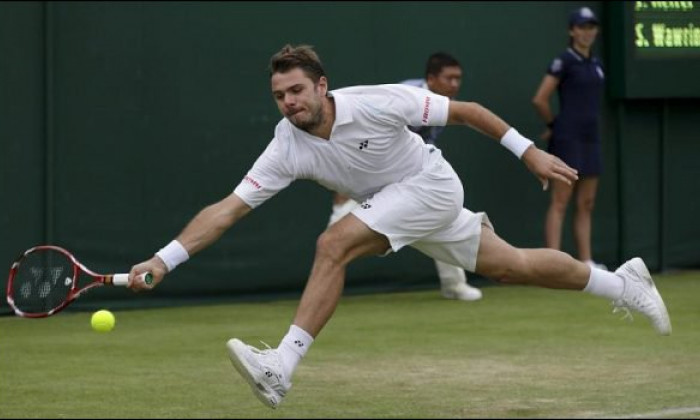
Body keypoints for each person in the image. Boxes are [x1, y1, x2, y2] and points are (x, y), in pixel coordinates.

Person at [127, 44, 671, 409]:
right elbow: (228, 209)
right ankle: (625, 283)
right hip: (398, 205)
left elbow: (469, 111)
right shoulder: (285, 144)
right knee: (513, 266)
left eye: (297, 91)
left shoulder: (377, 102)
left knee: (333, 242)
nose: (289, 103)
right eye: (279, 96)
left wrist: (528, 152)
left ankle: (281, 366)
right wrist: (164, 257)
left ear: (321, 86)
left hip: (431, 186)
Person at [328, 52, 482, 302]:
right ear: (431, 79)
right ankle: (323, 287)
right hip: (371, 172)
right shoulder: (405, 95)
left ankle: (453, 285)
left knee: (441, 218)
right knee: (336, 230)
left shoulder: (445, 104)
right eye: (449, 78)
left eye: (458, 78)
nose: (455, 84)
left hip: (410, 175)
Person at [532, 6, 607, 270]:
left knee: (586, 203)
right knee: (561, 201)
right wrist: (554, 125)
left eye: (591, 27)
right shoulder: (564, 61)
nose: (587, 32)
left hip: (591, 138)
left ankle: (586, 261)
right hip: (568, 138)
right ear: (572, 31)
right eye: (582, 27)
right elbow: (540, 99)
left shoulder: (596, 64)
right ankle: (554, 263)